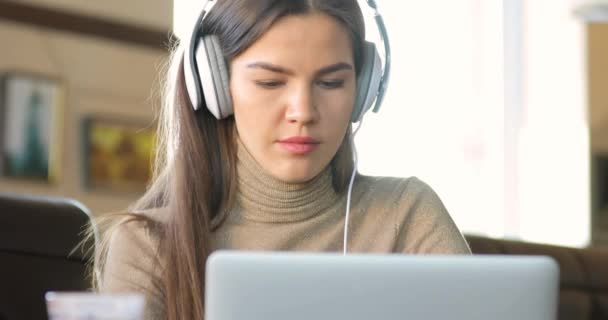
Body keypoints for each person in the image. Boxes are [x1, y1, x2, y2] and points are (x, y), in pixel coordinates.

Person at [93, 1, 471, 319]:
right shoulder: (149, 247)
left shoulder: (408, 216)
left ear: (364, 89)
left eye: (331, 83)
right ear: (215, 85)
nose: (303, 112)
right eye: (271, 83)